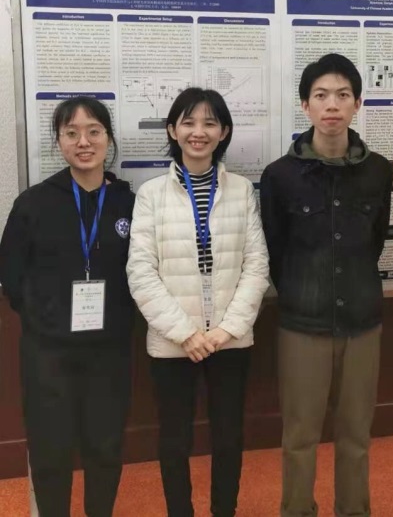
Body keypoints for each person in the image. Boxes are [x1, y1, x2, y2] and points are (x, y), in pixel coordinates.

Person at [259, 53, 393, 517]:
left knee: (356, 434)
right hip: (302, 323)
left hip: (363, 322)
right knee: (300, 436)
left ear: (357, 103)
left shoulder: (379, 171)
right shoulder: (279, 176)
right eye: (320, 95)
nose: (331, 105)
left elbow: (375, 241)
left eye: (342, 95)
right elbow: (276, 249)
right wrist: (305, 291)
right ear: (305, 105)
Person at [126, 87, 269, 517]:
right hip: (173, 342)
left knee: (228, 437)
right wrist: (186, 333)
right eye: (188, 122)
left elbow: (256, 265)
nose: (198, 132)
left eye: (209, 123)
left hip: (230, 339)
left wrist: (226, 330)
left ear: (223, 131)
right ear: (173, 130)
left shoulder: (241, 190)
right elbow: (141, 272)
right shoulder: (151, 194)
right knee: (174, 440)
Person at [0, 97, 135, 517]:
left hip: (109, 350)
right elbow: (11, 274)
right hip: (48, 352)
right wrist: (44, 318)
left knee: (105, 447)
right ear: (58, 141)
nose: (83, 142)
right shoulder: (34, 203)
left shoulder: (128, 204)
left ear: (108, 138)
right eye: (71, 133)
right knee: (50, 450)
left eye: (94, 131)